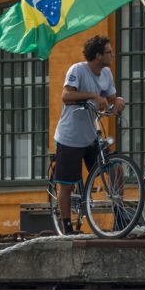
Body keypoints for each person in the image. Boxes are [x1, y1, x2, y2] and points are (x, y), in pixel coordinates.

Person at [53, 35, 126, 234]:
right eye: (109, 52)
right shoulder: (78, 70)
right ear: (97, 55)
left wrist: (118, 101)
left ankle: (120, 215)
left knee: (115, 169)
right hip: (70, 137)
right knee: (67, 186)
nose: (112, 55)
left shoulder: (106, 73)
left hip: (90, 135)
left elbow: (110, 100)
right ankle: (67, 227)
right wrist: (93, 96)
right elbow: (66, 96)